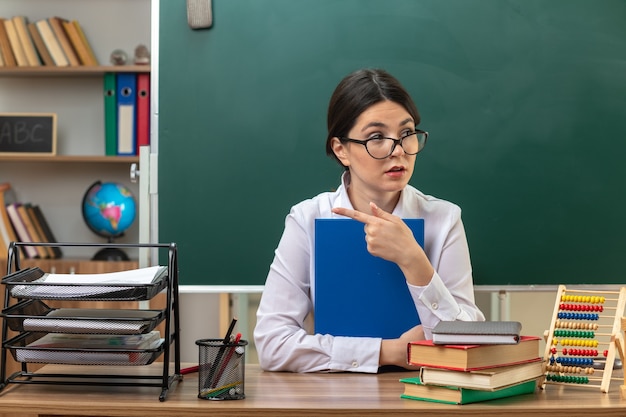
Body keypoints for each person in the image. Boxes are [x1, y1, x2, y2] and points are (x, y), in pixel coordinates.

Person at [254, 68, 485, 373]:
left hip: (426, 397)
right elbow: (272, 344)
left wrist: (416, 262)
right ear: (341, 150)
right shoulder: (308, 219)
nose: (399, 151)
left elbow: (468, 343)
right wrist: (388, 352)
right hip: (332, 396)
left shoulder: (443, 219)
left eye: (406, 134)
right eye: (377, 137)